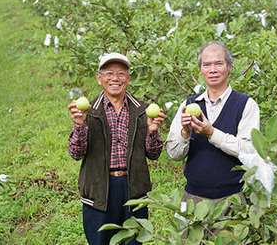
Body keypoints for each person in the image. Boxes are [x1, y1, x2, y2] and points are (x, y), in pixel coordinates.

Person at [68, 52, 166, 245]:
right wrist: (79, 125)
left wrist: (153, 130)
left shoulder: (143, 110)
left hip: (133, 189)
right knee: (100, 241)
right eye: (109, 73)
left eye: (121, 73)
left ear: (128, 78)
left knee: (134, 241)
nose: (115, 78)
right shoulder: (88, 111)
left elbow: (154, 154)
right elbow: (76, 153)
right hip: (99, 190)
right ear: (99, 78)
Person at [165, 42, 260, 234]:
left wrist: (212, 133)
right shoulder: (189, 104)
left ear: (229, 66)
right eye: (206, 65)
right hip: (191, 200)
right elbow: (173, 154)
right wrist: (185, 133)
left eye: (219, 63)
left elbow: (250, 151)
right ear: (200, 69)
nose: (213, 70)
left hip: (231, 200)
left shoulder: (246, 105)